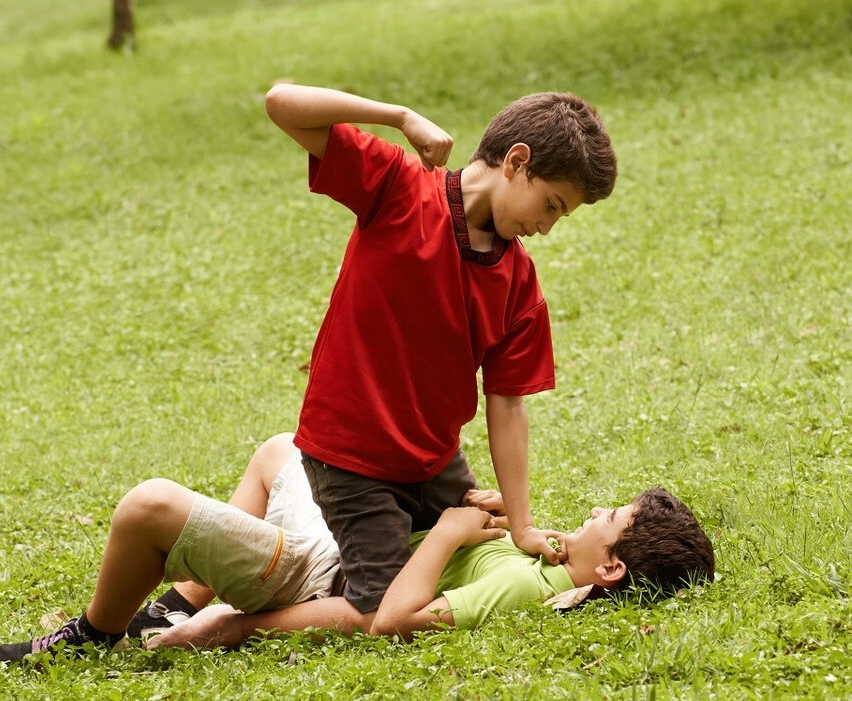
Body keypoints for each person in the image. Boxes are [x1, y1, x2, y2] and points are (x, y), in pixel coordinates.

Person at [262, 84, 619, 633]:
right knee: (378, 608)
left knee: (475, 552)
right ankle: (223, 623)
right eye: (551, 204)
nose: (547, 227)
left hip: (435, 465)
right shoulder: (398, 187)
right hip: (353, 459)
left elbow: (507, 406)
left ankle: (205, 585)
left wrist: (522, 525)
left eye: (561, 217)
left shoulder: (520, 284)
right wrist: (399, 115)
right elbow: (281, 103)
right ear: (517, 162)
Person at [0, 434, 714, 663]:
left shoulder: (523, 591)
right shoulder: (549, 563)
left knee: (149, 505)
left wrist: (235, 627)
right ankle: (174, 599)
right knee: (285, 447)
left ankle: (93, 635)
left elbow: (386, 617)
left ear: (611, 565)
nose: (594, 509)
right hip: (343, 542)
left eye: (608, 516)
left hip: (318, 576)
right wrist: (480, 514)